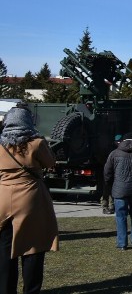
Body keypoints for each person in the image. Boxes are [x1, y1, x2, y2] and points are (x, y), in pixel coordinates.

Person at [0, 106, 59, 294]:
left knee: (4, 249)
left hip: (2, 197)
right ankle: (31, 290)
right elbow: (51, 163)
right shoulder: (37, 143)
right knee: (33, 247)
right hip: (30, 198)